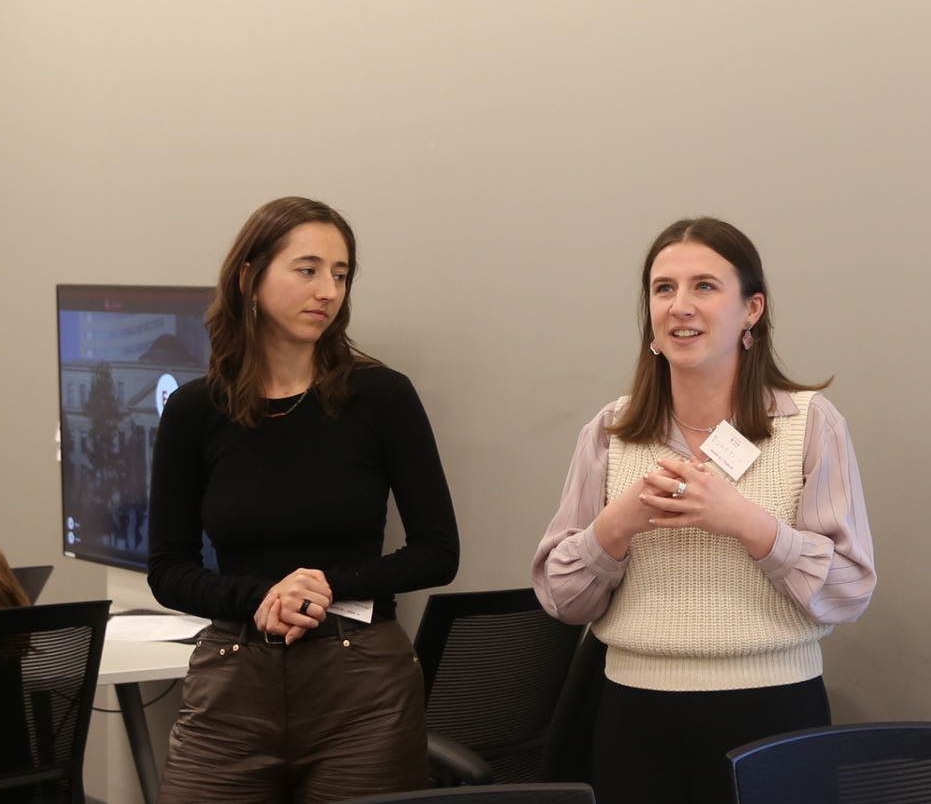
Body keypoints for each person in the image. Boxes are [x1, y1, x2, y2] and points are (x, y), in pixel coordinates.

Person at [531, 217, 876, 804]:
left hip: (774, 712)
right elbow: (562, 599)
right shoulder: (610, 431)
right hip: (633, 716)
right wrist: (618, 523)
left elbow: (848, 589)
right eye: (664, 289)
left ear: (752, 310)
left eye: (705, 287)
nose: (680, 306)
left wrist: (746, 522)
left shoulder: (811, 423)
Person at [147, 196, 460, 804]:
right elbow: (168, 569)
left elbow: (437, 551)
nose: (328, 290)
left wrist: (322, 586)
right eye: (307, 269)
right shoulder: (195, 411)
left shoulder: (382, 396)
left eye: (341, 275)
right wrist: (261, 596)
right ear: (250, 279)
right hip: (233, 677)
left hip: (362, 683)